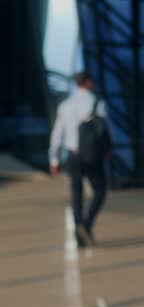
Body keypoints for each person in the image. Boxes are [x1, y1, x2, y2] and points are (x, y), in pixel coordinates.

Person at [49, 71, 109, 248]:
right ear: (89, 83)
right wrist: (108, 150)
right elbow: (107, 131)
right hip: (92, 155)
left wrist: (53, 159)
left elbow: (57, 133)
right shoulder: (98, 104)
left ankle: (78, 231)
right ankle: (87, 223)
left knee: (76, 194)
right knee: (100, 190)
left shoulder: (65, 105)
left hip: (73, 155)